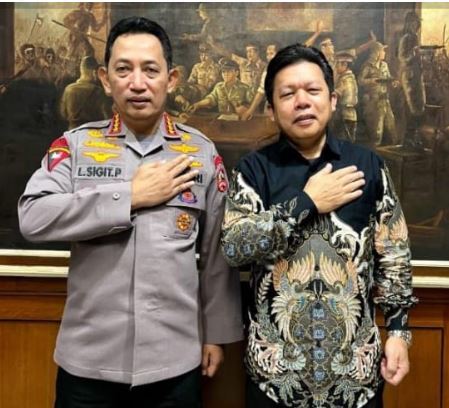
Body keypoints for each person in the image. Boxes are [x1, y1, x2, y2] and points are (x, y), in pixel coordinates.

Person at [18, 16, 243, 408]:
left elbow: (216, 256)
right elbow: (33, 217)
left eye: (150, 70)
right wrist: (129, 196)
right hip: (89, 363)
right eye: (124, 70)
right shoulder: (76, 146)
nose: (137, 83)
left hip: (174, 360)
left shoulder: (201, 152)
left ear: (172, 79)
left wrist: (216, 335)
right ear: (106, 80)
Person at [221, 44, 417, 407]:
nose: (302, 102)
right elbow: (234, 248)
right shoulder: (253, 170)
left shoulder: (368, 167)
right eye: (287, 94)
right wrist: (307, 202)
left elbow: (394, 256)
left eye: (312, 90)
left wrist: (398, 332)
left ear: (333, 99)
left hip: (354, 377)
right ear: (271, 108)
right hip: (276, 379)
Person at [359, 42, 399, 146]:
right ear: (376, 52)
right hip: (374, 101)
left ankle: (393, 148)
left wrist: (393, 82)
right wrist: (372, 81)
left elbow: (388, 77)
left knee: (391, 125)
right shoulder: (368, 66)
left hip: (385, 99)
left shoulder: (385, 65)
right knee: (377, 129)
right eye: (382, 50)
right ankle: (375, 150)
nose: (384, 53)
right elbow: (360, 81)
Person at [188, 58, 253, 120]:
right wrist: (197, 104)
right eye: (223, 72)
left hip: (239, 121)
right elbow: (211, 99)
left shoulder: (245, 88)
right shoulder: (219, 86)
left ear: (236, 73)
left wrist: (246, 110)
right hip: (222, 119)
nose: (226, 74)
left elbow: (253, 106)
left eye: (229, 71)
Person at [60, 55, 111, 129]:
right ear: (94, 72)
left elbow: (63, 114)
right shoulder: (98, 92)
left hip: (73, 131)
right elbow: (107, 118)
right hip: (92, 132)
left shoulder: (68, 89)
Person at [333, 51, 358, 142]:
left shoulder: (344, 80)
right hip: (351, 115)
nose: (336, 67)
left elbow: (337, 93)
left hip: (344, 115)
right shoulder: (351, 78)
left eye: (338, 64)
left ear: (345, 65)